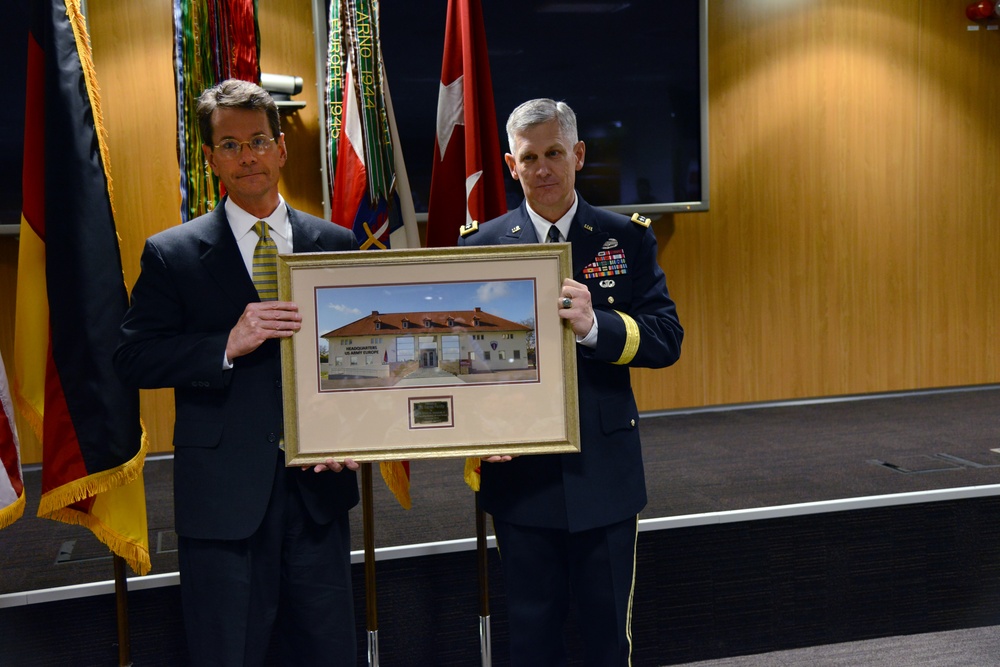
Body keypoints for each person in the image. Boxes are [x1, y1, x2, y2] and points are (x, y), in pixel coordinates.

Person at [113, 79, 360, 666]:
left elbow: (362, 359)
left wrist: (357, 431)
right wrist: (224, 343)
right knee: (228, 652)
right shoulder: (171, 252)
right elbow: (132, 358)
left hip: (318, 490)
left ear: (281, 148)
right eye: (229, 145)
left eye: (257, 141)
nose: (246, 156)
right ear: (209, 159)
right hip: (223, 497)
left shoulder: (335, 243)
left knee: (326, 652)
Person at [457, 98, 683, 665]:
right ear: (512, 166)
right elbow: (463, 368)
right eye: (529, 157)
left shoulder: (623, 239)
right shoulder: (479, 247)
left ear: (578, 155)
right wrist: (480, 431)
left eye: (554, 152)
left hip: (602, 474)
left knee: (608, 639)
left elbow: (665, 339)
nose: (543, 169)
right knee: (533, 642)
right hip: (521, 479)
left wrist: (593, 327)